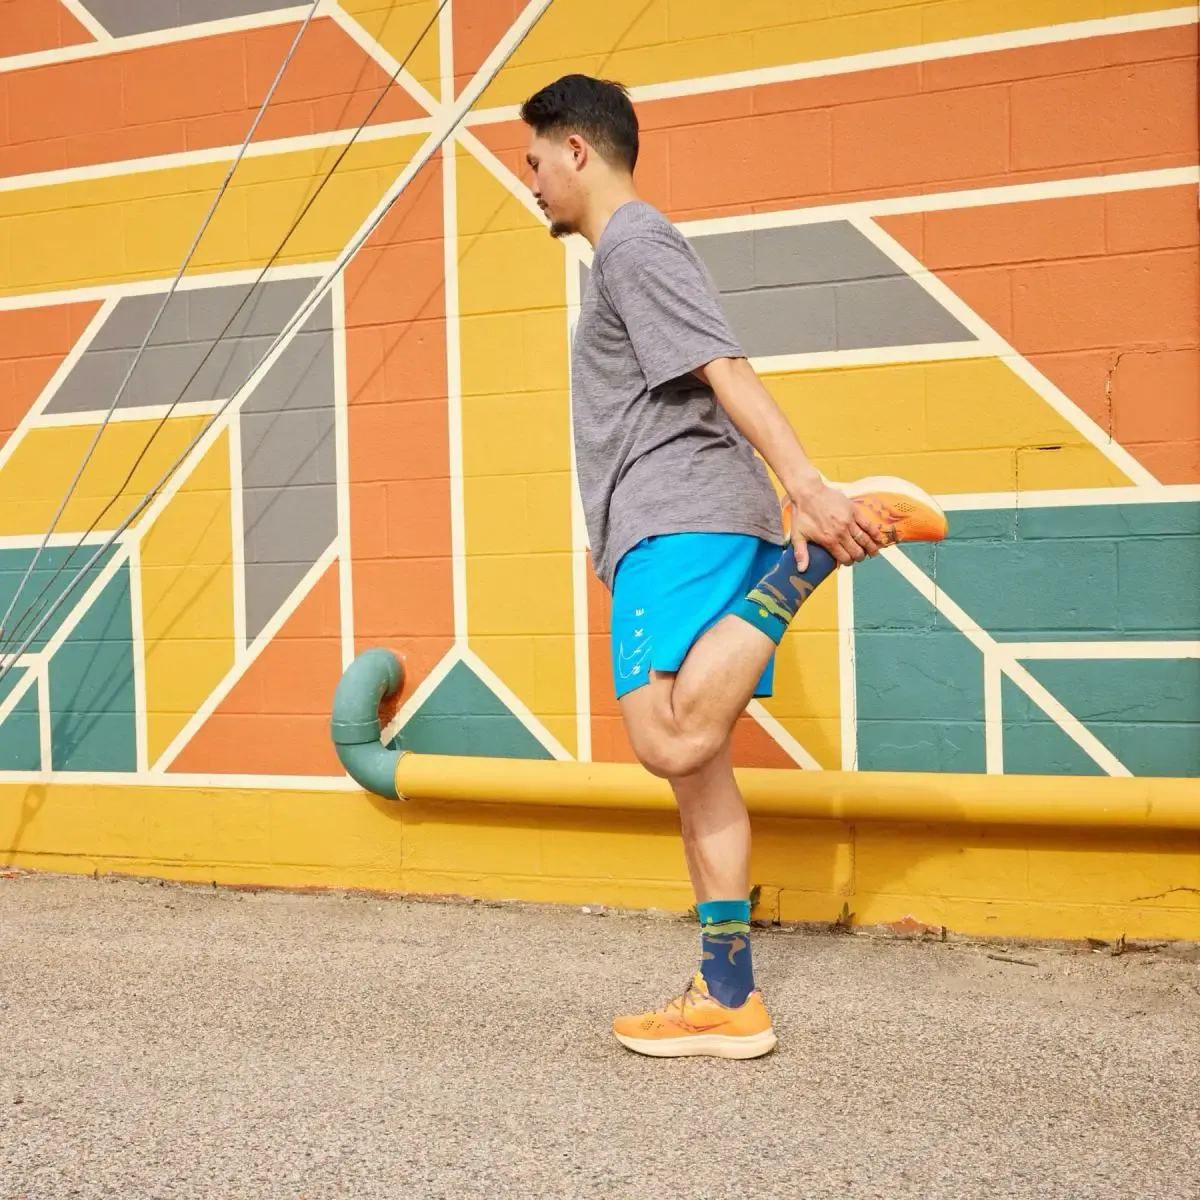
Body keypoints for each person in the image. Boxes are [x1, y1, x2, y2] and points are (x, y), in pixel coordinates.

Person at [518, 74, 947, 1059]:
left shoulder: (634, 243)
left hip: (680, 517)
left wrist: (811, 490)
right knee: (701, 778)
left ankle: (806, 565)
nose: (531, 183)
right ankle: (728, 997)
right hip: (680, 518)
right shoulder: (626, 254)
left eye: (535, 161)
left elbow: (725, 366)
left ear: (577, 150)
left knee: (668, 740)